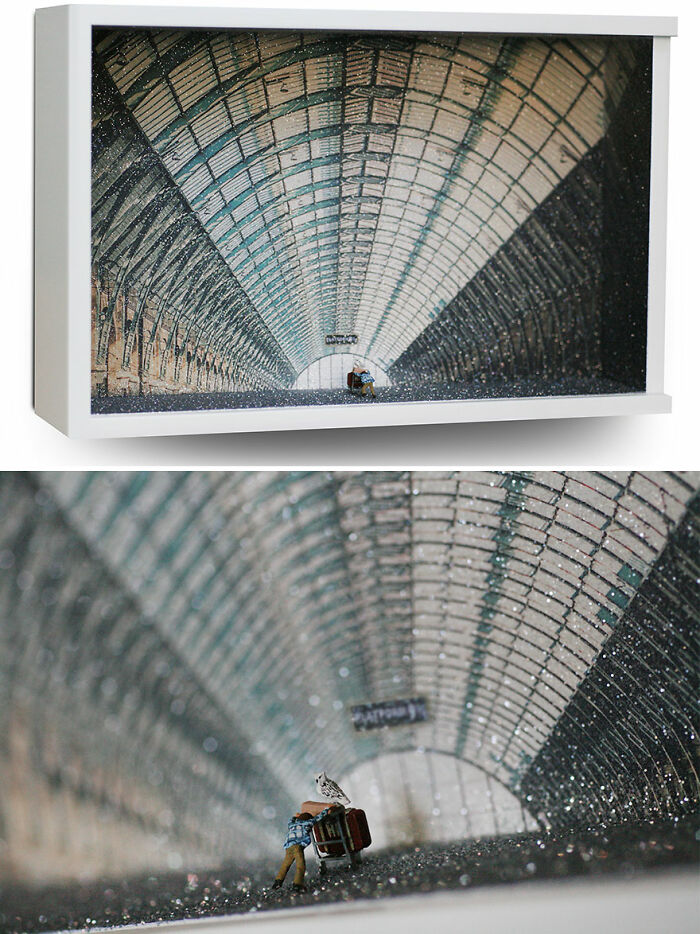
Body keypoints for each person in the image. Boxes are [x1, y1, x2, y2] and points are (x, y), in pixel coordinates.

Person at [271, 807, 334, 892]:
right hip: (297, 846)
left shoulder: (292, 824)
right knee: (300, 866)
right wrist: (326, 810)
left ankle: (277, 882)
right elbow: (318, 818)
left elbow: (290, 820)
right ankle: (297, 884)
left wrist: (295, 817)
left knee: (285, 865)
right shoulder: (307, 823)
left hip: (288, 846)